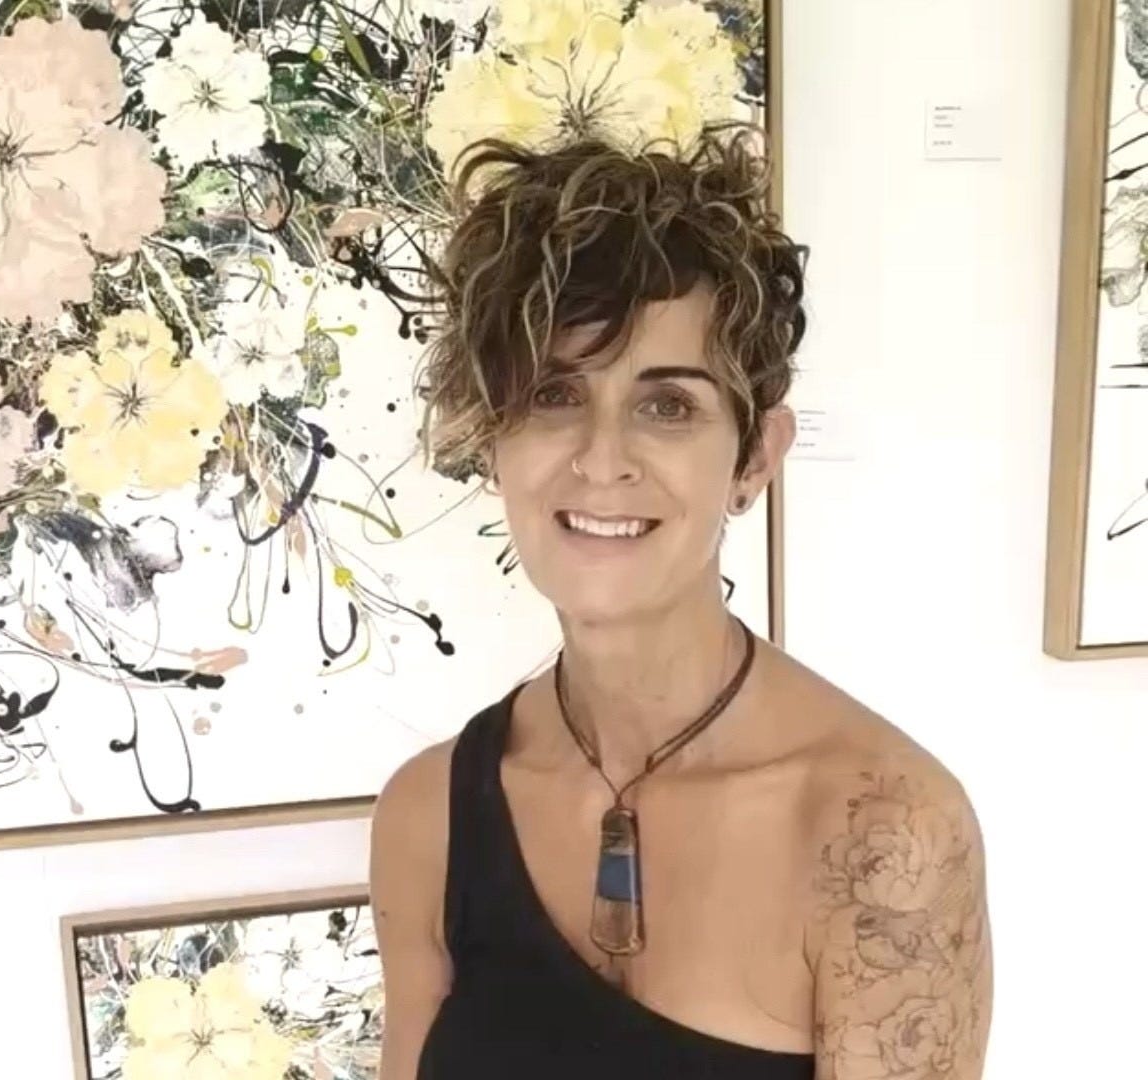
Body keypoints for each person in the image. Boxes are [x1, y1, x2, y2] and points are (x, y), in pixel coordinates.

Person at [369, 125, 993, 1080]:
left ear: (755, 458)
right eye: (552, 395)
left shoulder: (888, 835)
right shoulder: (429, 817)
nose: (601, 458)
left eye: (667, 406)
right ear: (492, 440)